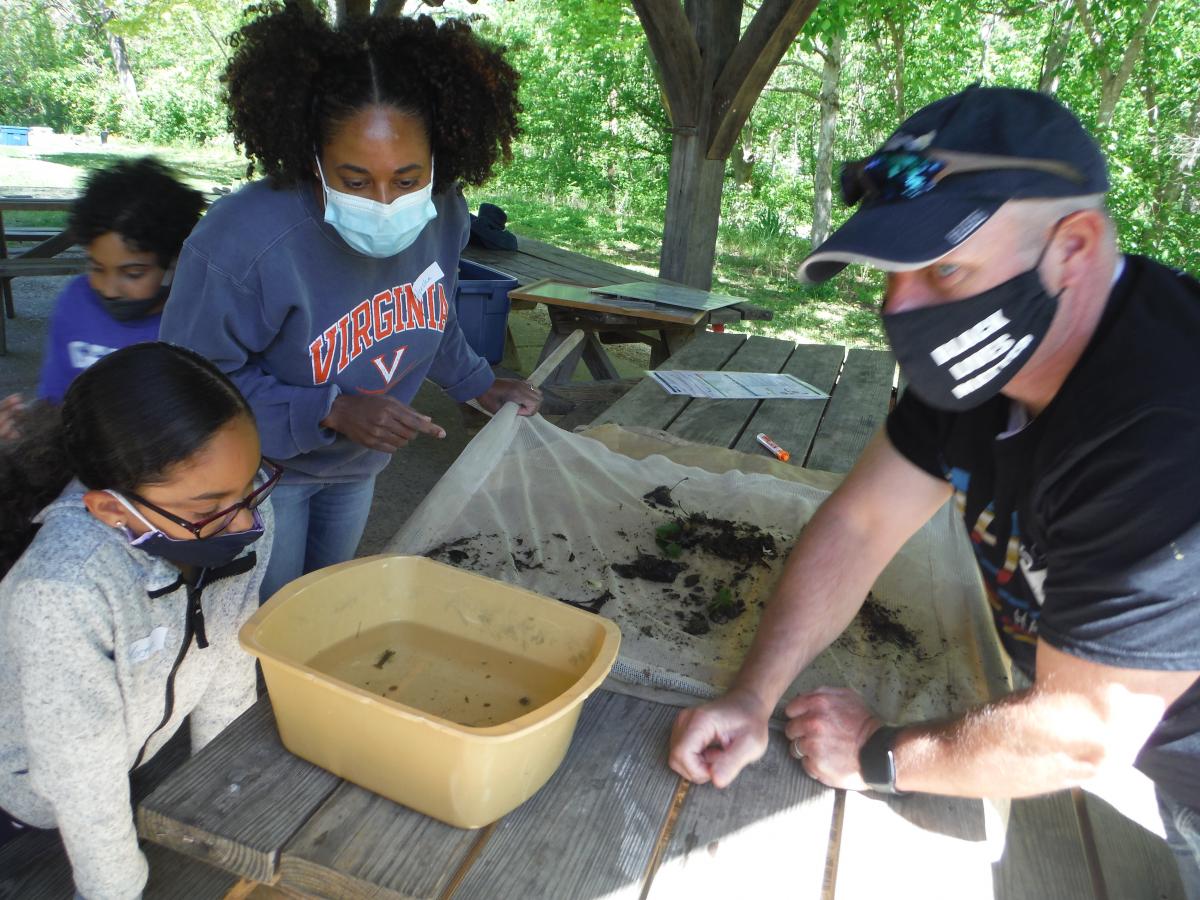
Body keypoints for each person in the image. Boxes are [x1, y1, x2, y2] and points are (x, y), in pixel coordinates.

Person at [667, 86, 1200, 894]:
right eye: (892, 272)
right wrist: (752, 695)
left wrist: (878, 753)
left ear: (1075, 248)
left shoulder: (1163, 421)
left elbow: (1083, 731)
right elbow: (861, 522)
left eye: (944, 267)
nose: (899, 308)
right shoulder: (990, 346)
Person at [160, 5, 541, 603]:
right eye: (356, 180)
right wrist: (330, 410)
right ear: (310, 156)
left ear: (440, 156)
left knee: (329, 600)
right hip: (263, 473)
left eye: (409, 178)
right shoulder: (242, 242)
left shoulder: (443, 213)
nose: (387, 202)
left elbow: (429, 312)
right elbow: (190, 385)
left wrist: (477, 383)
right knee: (273, 619)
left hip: (357, 470)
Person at [0, 342, 276, 900]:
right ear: (109, 509)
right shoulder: (62, 591)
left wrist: (218, 802)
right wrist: (114, 889)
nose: (248, 516)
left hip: (129, 758)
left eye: (250, 481)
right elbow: (82, 779)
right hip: (31, 798)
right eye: (209, 507)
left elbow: (228, 667)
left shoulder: (237, 521)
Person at [0, 157, 206, 440]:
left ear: (175, 262)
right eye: (97, 267)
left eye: (133, 273)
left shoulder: (197, 322)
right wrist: (28, 426)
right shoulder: (76, 303)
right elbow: (56, 402)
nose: (109, 289)